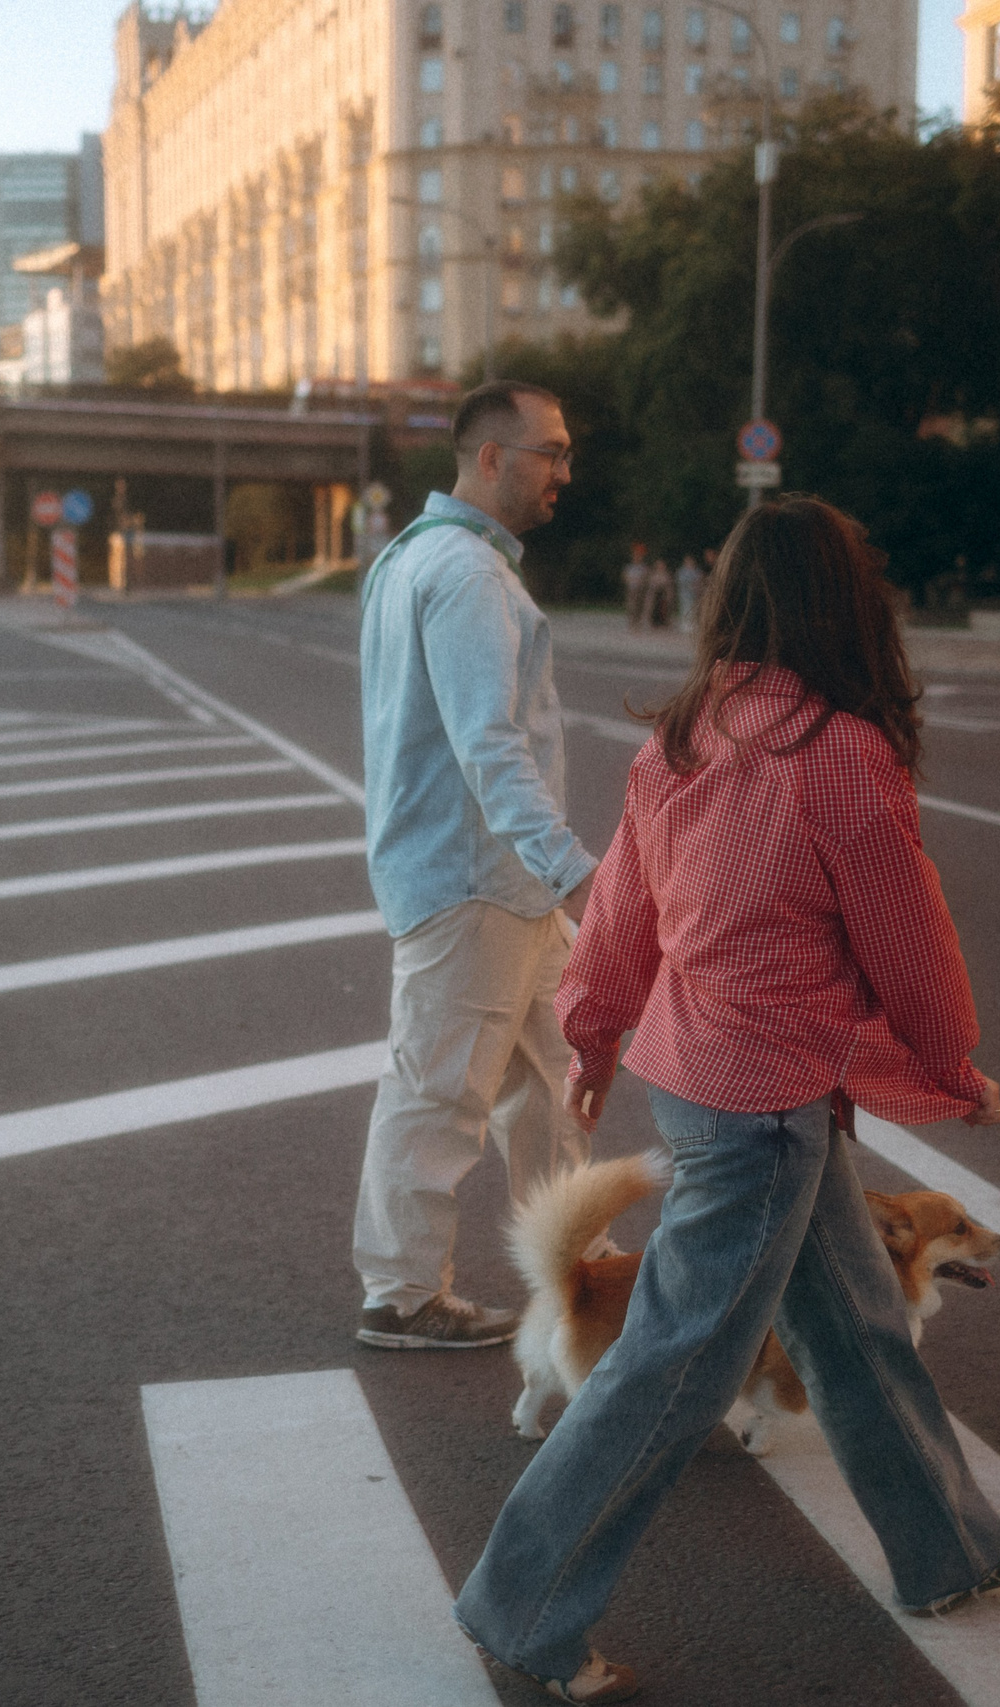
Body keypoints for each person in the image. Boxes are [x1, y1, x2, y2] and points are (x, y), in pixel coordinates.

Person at [452, 497, 1000, 1704]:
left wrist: (594, 1028)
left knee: (857, 1326)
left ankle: (948, 1551)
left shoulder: (683, 738)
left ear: (728, 602)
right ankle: (521, 1609)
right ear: (850, 607)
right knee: (671, 1369)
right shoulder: (838, 752)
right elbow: (907, 938)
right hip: (765, 1104)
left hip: (711, 1078)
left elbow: (622, 909)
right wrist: (950, 1065)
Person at [351, 379, 601, 1351]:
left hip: (496, 883)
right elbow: (488, 746)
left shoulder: (411, 557)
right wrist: (572, 870)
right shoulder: (464, 575)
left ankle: (574, 1265)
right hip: (473, 880)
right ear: (492, 458)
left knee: (553, 1081)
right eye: (551, 452)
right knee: (440, 1090)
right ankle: (401, 1292)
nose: (564, 471)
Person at [620, 543, 653, 630]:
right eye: (635, 556)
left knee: (639, 605)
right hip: (631, 589)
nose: (637, 557)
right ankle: (632, 622)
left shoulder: (644, 567)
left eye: (639, 556)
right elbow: (625, 577)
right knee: (631, 605)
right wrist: (633, 580)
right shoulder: (628, 567)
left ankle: (638, 622)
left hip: (641, 590)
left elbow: (646, 578)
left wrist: (639, 581)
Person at [673, 549, 706, 633]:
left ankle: (693, 624)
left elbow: (700, 580)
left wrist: (696, 586)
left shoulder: (697, 571)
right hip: (684, 593)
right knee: (685, 608)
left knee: (694, 608)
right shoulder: (681, 571)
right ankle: (685, 624)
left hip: (695, 593)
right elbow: (680, 582)